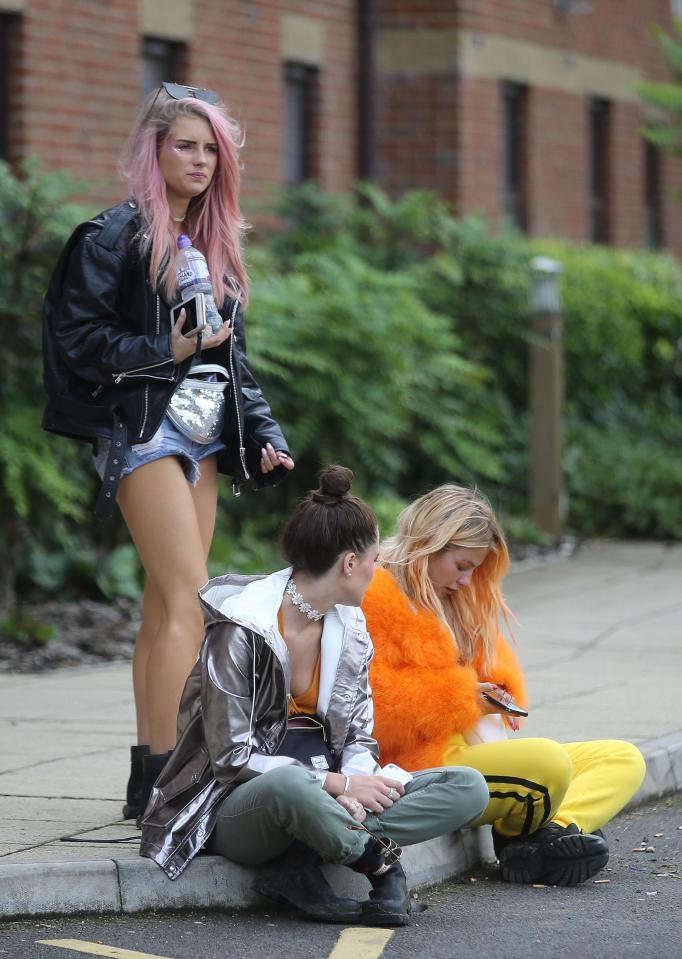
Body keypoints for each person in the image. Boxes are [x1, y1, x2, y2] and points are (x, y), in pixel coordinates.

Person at [42, 82, 294, 819]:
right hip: (142, 428)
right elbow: (76, 343)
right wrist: (167, 346)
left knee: (165, 606)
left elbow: (231, 363)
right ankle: (178, 780)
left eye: (211, 146)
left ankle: (149, 781)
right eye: (185, 144)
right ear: (153, 152)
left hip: (204, 434)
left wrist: (265, 432)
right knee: (190, 599)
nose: (201, 158)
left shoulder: (215, 246)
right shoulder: (110, 238)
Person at [139, 466, 489, 926]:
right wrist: (332, 785)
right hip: (242, 802)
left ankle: (310, 851)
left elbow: (360, 735)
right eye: (372, 558)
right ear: (349, 564)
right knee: (291, 787)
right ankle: (379, 865)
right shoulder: (240, 627)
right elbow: (230, 758)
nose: (377, 566)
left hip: (329, 790)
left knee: (467, 787)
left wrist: (356, 787)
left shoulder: (350, 625)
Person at [361, 484, 646, 887]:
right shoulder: (375, 595)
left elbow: (492, 666)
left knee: (623, 758)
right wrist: (466, 699)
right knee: (547, 763)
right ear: (427, 544)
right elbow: (373, 709)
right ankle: (532, 834)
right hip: (423, 767)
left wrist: (496, 691)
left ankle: (547, 835)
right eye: (461, 565)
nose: (466, 580)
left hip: (478, 752)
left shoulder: (456, 600)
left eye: (474, 569)